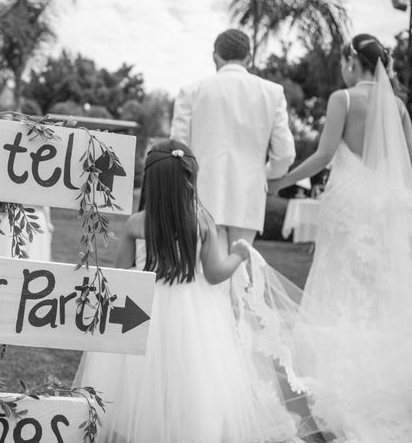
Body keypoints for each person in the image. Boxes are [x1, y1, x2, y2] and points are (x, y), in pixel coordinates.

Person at [74, 140, 302, 443]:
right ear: (190, 178)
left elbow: (119, 276)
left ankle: (147, 430)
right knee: (193, 377)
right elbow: (215, 274)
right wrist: (238, 254)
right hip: (194, 316)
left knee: (143, 380)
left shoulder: (136, 224)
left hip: (143, 316)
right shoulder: (202, 222)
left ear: (152, 183)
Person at [269, 34, 412, 442]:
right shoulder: (398, 107)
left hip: (348, 206)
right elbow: (408, 165)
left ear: (353, 60)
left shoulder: (343, 99)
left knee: (336, 282)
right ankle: (378, 385)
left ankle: (332, 384)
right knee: (377, 289)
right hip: (385, 208)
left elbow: (323, 156)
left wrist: (281, 183)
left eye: (343, 60)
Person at [170, 28, 295, 252]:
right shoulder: (272, 93)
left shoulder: (191, 91)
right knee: (239, 276)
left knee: (199, 277)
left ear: (215, 55)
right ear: (249, 58)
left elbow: (178, 148)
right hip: (247, 200)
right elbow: (284, 153)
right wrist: (264, 175)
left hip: (199, 197)